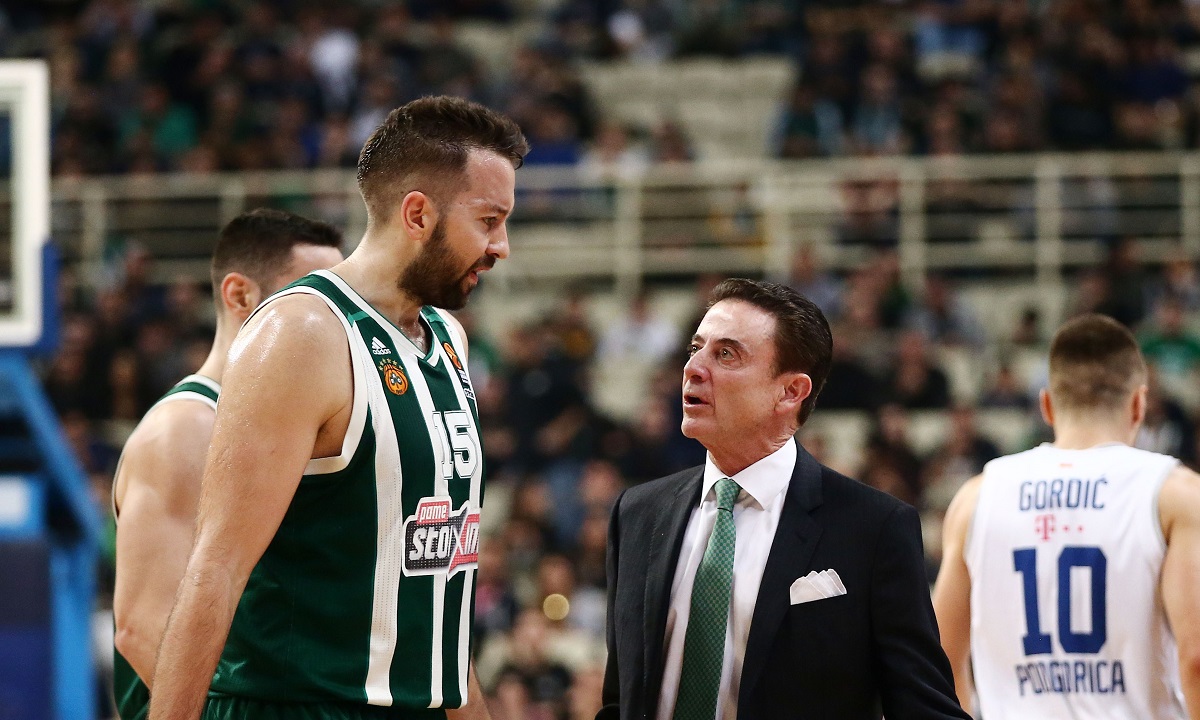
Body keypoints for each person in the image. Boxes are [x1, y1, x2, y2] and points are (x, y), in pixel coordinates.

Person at [148, 96, 528, 720]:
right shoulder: (302, 334)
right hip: (298, 705)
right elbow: (216, 569)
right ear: (417, 214)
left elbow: (435, 601)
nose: (502, 246)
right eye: (489, 220)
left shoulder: (450, 341)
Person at [598, 278, 968, 720]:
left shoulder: (873, 527)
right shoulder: (636, 514)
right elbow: (619, 702)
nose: (693, 368)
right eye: (695, 348)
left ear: (791, 392)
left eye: (726, 354)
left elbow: (924, 708)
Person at [112, 208, 344, 720]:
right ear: (239, 295)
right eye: (310, 294)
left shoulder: (301, 418)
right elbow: (143, 629)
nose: (331, 315)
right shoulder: (186, 428)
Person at [932, 314, 1200, 719]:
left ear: (1046, 406)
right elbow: (1195, 657)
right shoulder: (1173, 493)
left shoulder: (976, 498)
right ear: (1138, 404)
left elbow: (938, 658)